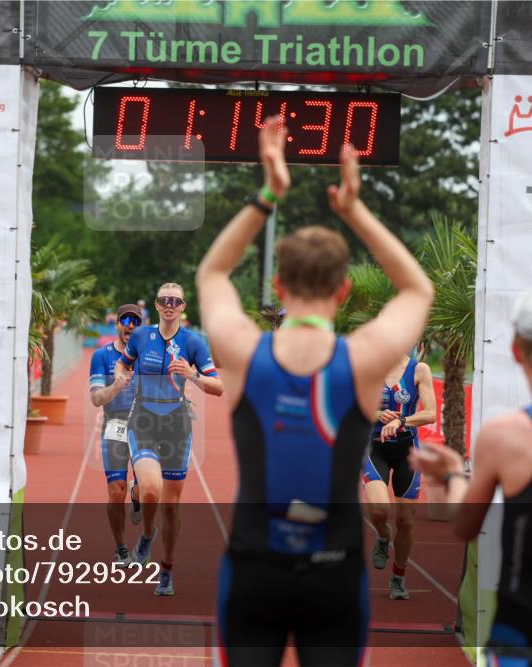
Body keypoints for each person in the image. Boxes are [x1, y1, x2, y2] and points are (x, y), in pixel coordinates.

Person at [196, 117, 434, 666]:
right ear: (344, 288)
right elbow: (417, 287)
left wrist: (268, 193)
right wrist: (354, 211)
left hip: (255, 563)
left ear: (278, 287)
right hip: (335, 566)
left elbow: (213, 273)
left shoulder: (243, 350)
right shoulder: (366, 358)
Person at [411, 290, 532, 667]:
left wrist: (454, 473)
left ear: (518, 351)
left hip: (524, 639)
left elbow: (467, 524)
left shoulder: (508, 433)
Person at [114, 283, 225, 595]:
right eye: (164, 299)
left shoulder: (192, 343)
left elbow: (218, 387)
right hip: (144, 419)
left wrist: (192, 375)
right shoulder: (140, 337)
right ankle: (148, 533)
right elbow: (124, 362)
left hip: (176, 423)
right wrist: (121, 374)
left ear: (183, 306)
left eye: (175, 301)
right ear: (157, 304)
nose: (169, 305)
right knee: (150, 490)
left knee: (172, 506)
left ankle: (167, 569)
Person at [363, 340, 436, 600]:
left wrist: (402, 421)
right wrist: (376, 416)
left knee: (406, 520)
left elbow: (430, 414)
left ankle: (398, 575)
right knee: (380, 510)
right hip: (374, 448)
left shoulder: (420, 370)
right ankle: (383, 537)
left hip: (407, 450)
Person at [90, 304, 142, 563]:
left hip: (147, 427)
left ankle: (138, 493)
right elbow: (96, 398)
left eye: (135, 321)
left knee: (148, 488)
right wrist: (116, 387)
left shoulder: (150, 356)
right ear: (117, 325)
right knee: (115, 492)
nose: (130, 325)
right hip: (115, 425)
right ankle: (120, 545)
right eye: (125, 320)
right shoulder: (102, 356)